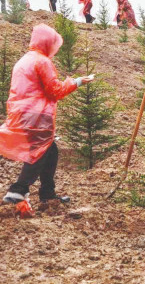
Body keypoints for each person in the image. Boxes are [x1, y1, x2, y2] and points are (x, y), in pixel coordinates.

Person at [1, 24, 94, 204]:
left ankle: (47, 193)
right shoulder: (42, 61)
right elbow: (55, 90)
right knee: (40, 151)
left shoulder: (23, 60)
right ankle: (18, 190)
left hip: (20, 112)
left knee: (50, 150)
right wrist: (78, 82)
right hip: (37, 115)